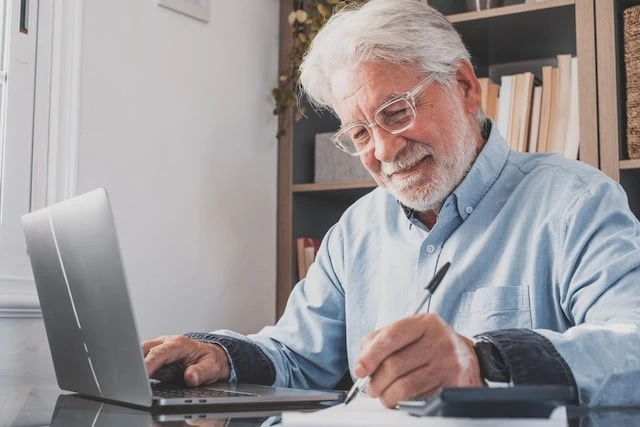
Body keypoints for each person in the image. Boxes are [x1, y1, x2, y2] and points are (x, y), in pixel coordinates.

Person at [143, 0, 640, 408]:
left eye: (396, 111)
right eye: (359, 132)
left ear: (464, 87)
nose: (381, 151)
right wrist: (218, 356)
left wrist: (484, 360)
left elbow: (632, 346)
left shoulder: (575, 202)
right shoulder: (356, 229)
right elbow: (296, 355)